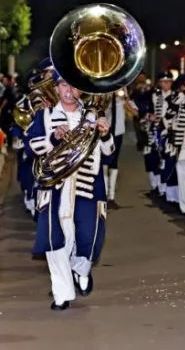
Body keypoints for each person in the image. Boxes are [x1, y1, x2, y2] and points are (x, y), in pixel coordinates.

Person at [26, 72, 113, 310]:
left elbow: (109, 152)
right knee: (56, 242)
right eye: (63, 84)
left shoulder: (93, 117)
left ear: (81, 90)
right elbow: (32, 146)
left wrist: (105, 135)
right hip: (55, 190)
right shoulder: (44, 116)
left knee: (88, 239)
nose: (68, 90)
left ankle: (81, 270)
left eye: (74, 85)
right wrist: (53, 138)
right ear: (55, 88)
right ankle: (62, 294)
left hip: (87, 189)